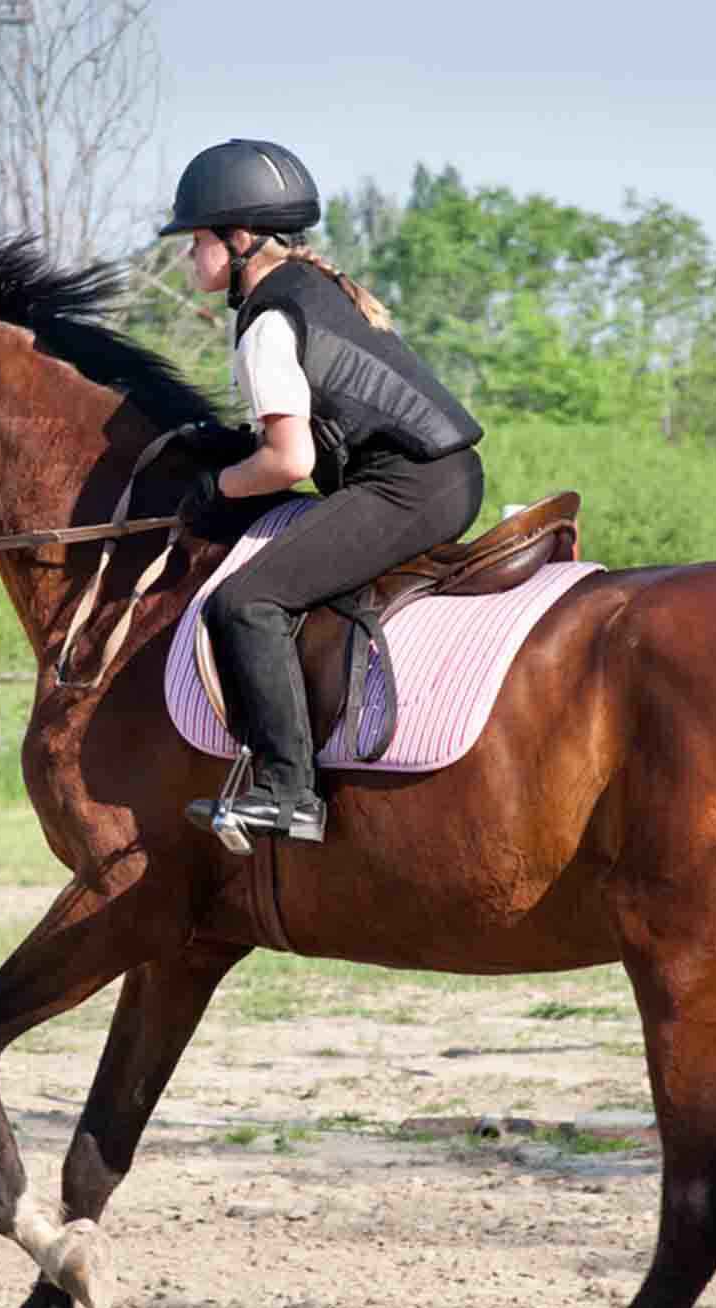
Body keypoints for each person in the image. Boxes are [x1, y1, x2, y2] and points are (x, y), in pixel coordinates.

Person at [163, 138, 486, 846]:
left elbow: (287, 460)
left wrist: (214, 489)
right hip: (435, 477)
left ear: (239, 239)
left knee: (247, 602)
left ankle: (288, 791)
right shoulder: (311, 291)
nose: (189, 255)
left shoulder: (270, 323)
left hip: (409, 488)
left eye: (196, 240)